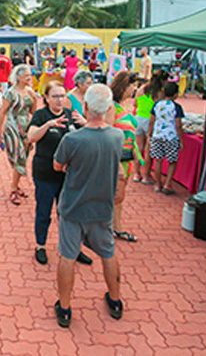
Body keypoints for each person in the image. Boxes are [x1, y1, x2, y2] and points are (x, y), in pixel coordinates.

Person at [52, 84, 125, 326]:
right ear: (109, 108)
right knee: (108, 252)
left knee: (68, 255)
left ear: (85, 106)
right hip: (102, 208)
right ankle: (115, 300)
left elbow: (57, 166)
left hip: (73, 207)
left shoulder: (73, 139)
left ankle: (64, 307)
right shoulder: (117, 136)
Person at [27, 81, 92, 266]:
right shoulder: (41, 115)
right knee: (44, 211)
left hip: (68, 175)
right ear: (46, 98)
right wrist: (48, 125)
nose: (59, 100)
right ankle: (40, 246)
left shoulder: (72, 116)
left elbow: (89, 139)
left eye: (62, 96)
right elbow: (31, 137)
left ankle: (73, 248)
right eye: (55, 96)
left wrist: (85, 123)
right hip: (45, 173)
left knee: (68, 214)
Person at [0, 65, 37, 205]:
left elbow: (33, 112)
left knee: (23, 157)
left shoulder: (30, 92)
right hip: (13, 128)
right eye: (26, 76)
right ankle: (13, 189)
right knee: (19, 157)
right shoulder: (11, 93)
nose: (29, 78)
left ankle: (16, 185)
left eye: (30, 76)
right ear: (18, 77)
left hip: (26, 128)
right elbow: (2, 112)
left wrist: (35, 99)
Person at [110, 71, 142, 242]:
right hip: (116, 157)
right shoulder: (112, 107)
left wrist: (136, 153)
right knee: (116, 195)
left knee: (120, 196)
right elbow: (106, 131)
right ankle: (108, 227)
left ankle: (116, 227)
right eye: (133, 86)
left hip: (128, 156)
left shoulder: (127, 105)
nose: (135, 90)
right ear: (124, 86)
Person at [148, 82, 184, 194]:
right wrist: (181, 140)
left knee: (158, 160)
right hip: (171, 137)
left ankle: (158, 184)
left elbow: (151, 121)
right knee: (172, 161)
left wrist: (149, 134)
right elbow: (178, 125)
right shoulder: (177, 107)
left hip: (157, 135)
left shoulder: (157, 105)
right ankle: (168, 184)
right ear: (175, 95)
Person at [134, 69, 168, 184]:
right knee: (149, 150)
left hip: (138, 118)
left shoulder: (141, 89)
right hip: (151, 121)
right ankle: (146, 175)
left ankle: (136, 173)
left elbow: (135, 103)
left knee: (139, 148)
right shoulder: (159, 93)